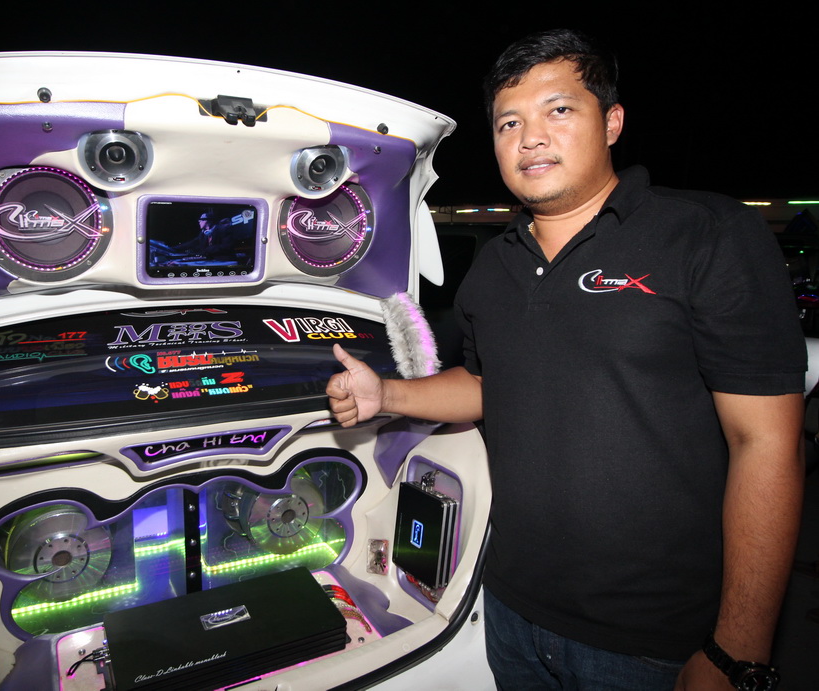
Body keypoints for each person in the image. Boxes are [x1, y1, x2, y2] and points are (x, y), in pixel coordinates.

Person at [326, 29, 805, 691]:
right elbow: (487, 383)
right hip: (508, 610)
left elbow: (766, 444)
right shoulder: (494, 267)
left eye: (558, 110)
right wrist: (386, 395)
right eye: (509, 122)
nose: (530, 138)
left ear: (611, 122)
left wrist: (737, 650)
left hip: (653, 641)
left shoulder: (705, 234)